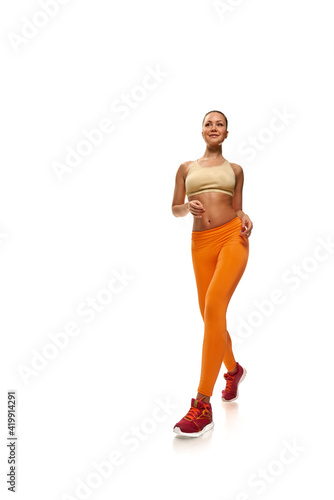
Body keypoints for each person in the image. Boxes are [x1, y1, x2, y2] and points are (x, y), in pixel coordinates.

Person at [171, 110, 253, 437]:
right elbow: (175, 207)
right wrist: (185, 207)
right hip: (200, 243)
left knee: (215, 305)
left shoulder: (235, 170)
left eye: (219, 124)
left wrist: (245, 215)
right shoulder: (186, 169)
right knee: (209, 316)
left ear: (226, 133)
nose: (213, 128)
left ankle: (202, 405)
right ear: (202, 131)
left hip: (233, 237)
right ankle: (233, 370)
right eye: (208, 124)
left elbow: (238, 207)